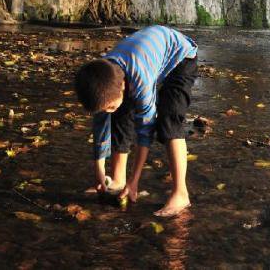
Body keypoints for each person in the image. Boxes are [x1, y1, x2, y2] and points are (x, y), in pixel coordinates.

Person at [74, 25, 198, 217]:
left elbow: (145, 133)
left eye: (110, 106)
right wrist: (98, 169)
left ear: (123, 85)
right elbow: (100, 123)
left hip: (181, 57)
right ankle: (117, 179)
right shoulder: (101, 77)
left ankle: (181, 193)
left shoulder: (140, 82)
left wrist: (135, 181)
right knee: (120, 113)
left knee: (169, 119)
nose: (108, 111)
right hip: (145, 54)